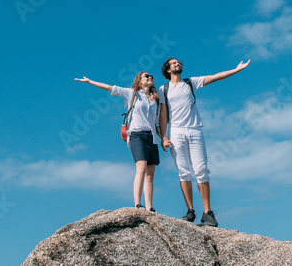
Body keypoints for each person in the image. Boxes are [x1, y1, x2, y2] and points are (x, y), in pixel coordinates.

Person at [160, 57, 250, 227]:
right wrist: (163, 137)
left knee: (201, 169)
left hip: (195, 130)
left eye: (179, 62)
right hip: (176, 131)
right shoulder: (163, 89)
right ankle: (190, 211)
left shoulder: (191, 82)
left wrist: (236, 70)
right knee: (183, 171)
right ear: (168, 70)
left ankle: (207, 212)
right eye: (174, 63)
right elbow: (163, 115)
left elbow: (215, 76)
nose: (178, 64)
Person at [74, 72, 168, 212]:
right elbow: (110, 88)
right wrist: (89, 81)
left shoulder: (155, 99)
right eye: (146, 76)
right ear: (139, 81)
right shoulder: (132, 93)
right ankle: (137, 204)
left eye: (151, 76)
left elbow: (156, 122)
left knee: (150, 173)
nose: (150, 78)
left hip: (152, 137)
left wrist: (163, 139)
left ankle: (149, 207)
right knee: (141, 167)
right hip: (137, 134)